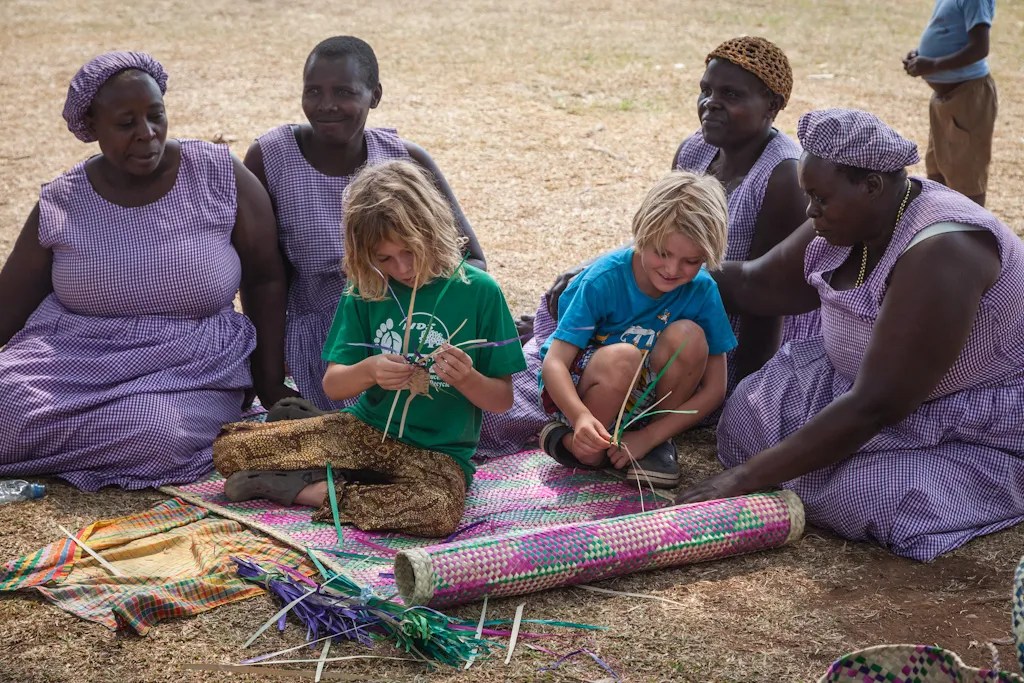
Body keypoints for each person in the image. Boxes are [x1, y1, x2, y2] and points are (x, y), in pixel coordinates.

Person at [678, 109, 1024, 562]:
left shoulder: (945, 250)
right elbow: (757, 284)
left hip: (958, 415)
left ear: (872, 186)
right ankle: (815, 464)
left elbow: (878, 404)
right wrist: (647, 272)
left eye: (820, 198)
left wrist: (741, 480)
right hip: (853, 385)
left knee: (869, 494)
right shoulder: (852, 217)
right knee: (744, 417)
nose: (810, 210)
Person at [0, 52, 294, 491]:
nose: (147, 134)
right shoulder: (64, 200)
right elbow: (9, 304)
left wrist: (270, 382)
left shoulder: (217, 174)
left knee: (158, 434)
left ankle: (51, 448)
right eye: (125, 124)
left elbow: (266, 277)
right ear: (93, 126)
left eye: (156, 115)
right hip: (73, 362)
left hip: (191, 366)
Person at [212, 161, 526, 538]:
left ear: (433, 230)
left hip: (438, 455)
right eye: (384, 258)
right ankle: (318, 443)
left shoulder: (479, 291)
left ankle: (303, 488)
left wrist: (468, 378)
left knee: (437, 512)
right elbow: (335, 385)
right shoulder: (368, 290)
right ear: (366, 256)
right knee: (230, 452)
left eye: (410, 250)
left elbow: (502, 399)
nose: (403, 267)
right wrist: (371, 370)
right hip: (368, 431)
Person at [244, 36, 486, 415]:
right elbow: (263, 280)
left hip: (412, 327)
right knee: (367, 422)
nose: (326, 105)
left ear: (374, 95)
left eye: (343, 91)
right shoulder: (272, 158)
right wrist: (269, 380)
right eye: (313, 91)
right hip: (330, 339)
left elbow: (471, 261)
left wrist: (433, 324)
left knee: (446, 419)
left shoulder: (404, 159)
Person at [538, 171, 737, 488]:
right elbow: (555, 362)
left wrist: (651, 435)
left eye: (691, 261)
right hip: (586, 392)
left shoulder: (702, 291)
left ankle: (652, 445)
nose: (672, 270)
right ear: (642, 235)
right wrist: (580, 417)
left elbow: (715, 388)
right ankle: (579, 441)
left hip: (646, 406)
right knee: (623, 359)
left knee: (690, 337)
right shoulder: (603, 279)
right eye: (662, 253)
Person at [674, 36, 818, 393]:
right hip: (673, 295)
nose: (710, 104)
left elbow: (765, 299)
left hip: (730, 335)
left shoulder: (782, 176)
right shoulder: (694, 151)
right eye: (705, 90)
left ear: (772, 106)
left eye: (731, 95)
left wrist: (742, 390)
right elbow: (660, 238)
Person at [903, 0, 997, 207]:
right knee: (938, 171)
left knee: (966, 175)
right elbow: (949, 33)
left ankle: (972, 233)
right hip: (945, 101)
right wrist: (920, 55)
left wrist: (934, 64)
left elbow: (979, 48)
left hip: (967, 97)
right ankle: (941, 227)